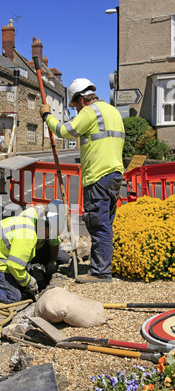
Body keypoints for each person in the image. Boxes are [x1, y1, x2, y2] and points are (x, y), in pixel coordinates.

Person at [40, 78, 125, 283]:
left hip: (98, 177)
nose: (76, 111)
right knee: (104, 224)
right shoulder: (112, 111)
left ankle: (100, 273)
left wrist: (47, 115)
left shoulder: (90, 111)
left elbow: (63, 131)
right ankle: (100, 267)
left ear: (80, 99)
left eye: (75, 106)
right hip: (114, 175)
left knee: (98, 225)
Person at [0, 201, 69, 307]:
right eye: (49, 235)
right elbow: (15, 266)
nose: (48, 239)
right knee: (13, 296)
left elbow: (18, 261)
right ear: (46, 229)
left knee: (18, 282)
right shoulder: (28, 235)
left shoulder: (34, 224)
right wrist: (30, 282)